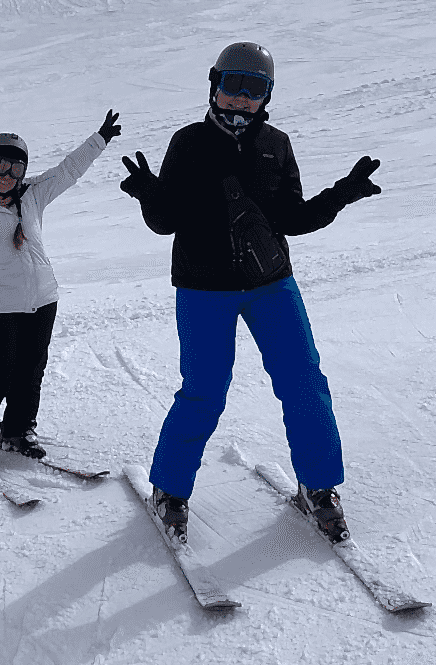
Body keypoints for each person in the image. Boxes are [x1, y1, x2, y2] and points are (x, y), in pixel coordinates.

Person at [120, 42, 381, 544]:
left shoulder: (275, 145)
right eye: (233, 85)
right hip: (203, 288)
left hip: (271, 284)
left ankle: (318, 486)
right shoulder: (188, 142)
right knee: (204, 391)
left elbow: (294, 218)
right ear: (214, 84)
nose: (241, 98)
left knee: (304, 382)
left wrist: (342, 193)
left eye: (254, 88)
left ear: (267, 95)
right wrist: (150, 193)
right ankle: (170, 489)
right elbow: (165, 222)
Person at [0, 111, 122, 477]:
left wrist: (99, 139)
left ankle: (16, 431)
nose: (7, 175)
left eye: (16, 169)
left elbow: (68, 170)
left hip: (42, 299)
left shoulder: (33, 196)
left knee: (31, 369)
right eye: (0, 165)